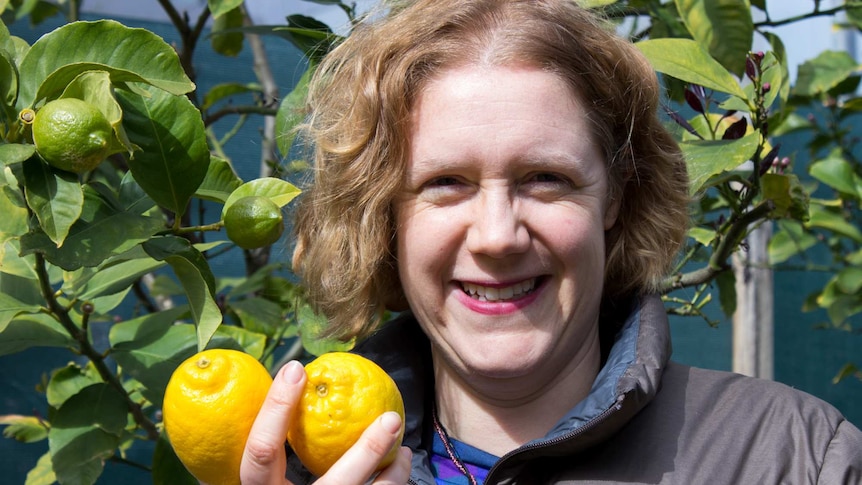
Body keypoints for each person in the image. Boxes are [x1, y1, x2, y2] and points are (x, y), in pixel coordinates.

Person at [238, 0, 862, 484]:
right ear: (386, 217)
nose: (498, 235)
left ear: (615, 196)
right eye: (446, 182)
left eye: (545, 179)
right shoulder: (295, 472)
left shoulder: (793, 456)